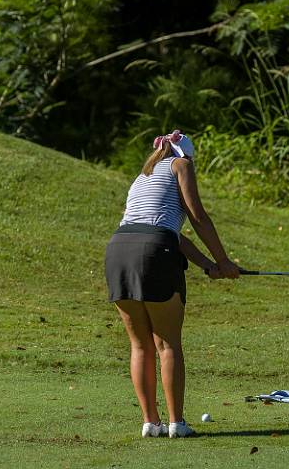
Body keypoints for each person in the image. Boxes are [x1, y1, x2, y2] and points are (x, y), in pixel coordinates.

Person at [104, 129, 240, 438]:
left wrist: (208, 265)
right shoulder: (182, 165)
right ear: (185, 154)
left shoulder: (144, 174)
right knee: (167, 344)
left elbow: (173, 234)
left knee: (140, 344)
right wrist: (225, 261)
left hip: (118, 251)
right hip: (154, 251)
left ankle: (150, 423)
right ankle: (177, 423)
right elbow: (198, 217)